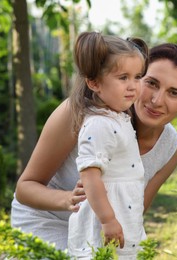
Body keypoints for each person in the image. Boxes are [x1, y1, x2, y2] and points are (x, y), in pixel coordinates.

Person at [11, 40, 177, 251]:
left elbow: (134, 213)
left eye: (174, 93)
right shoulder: (79, 113)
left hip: (98, 230)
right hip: (47, 220)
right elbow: (25, 189)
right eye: (151, 83)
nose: (157, 100)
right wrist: (69, 199)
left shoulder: (170, 148)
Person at [64, 31, 148, 259]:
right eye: (123, 78)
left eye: (137, 76)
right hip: (103, 222)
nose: (133, 86)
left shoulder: (118, 117)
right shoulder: (98, 124)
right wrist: (108, 220)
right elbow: (90, 177)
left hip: (123, 215)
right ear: (94, 83)